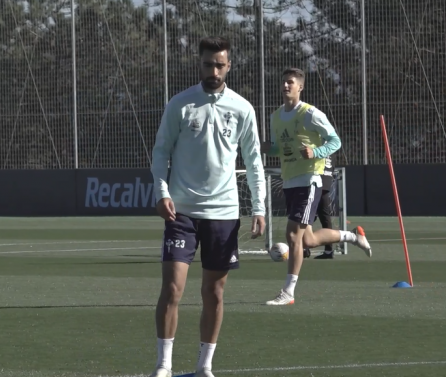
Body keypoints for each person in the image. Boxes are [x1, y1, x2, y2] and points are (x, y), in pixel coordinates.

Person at [149, 36, 267, 377]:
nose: (213, 70)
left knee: (213, 291)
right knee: (172, 288)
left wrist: (258, 207)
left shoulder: (243, 108)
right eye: (207, 64)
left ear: (228, 66)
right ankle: (164, 366)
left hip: (225, 213)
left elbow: (254, 161)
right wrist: (161, 191)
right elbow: (161, 152)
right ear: (198, 64)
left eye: (219, 64)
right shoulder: (180, 104)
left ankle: (204, 367)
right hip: (181, 210)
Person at [261, 68, 372, 306]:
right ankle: (352, 237)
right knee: (308, 240)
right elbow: (280, 149)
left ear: (300, 87)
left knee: (292, 235)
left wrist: (316, 151)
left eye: (290, 82)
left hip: (310, 178)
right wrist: (268, 149)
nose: (286, 86)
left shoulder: (310, 113)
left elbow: (335, 141)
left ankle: (288, 293)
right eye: (283, 82)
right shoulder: (275, 117)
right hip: (290, 180)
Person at [310, 152, 340, 259]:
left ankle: (304, 248)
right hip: (326, 182)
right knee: (322, 216)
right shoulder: (331, 148)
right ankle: (328, 250)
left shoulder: (319, 143)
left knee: (307, 215)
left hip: (317, 181)